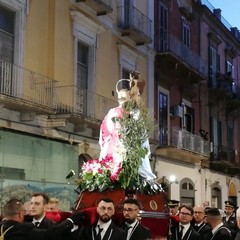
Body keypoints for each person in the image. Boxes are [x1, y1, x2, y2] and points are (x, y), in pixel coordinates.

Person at [98, 71, 156, 180]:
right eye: (120, 97)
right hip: (115, 146)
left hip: (130, 147)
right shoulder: (112, 112)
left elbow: (140, 131)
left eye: (124, 97)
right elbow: (105, 129)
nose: (122, 100)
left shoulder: (134, 112)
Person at [0, 198, 87, 240]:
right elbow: (48, 234)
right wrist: (71, 220)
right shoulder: (24, 229)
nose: (33, 207)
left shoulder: (2, 227)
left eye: (37, 204)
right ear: (20, 214)